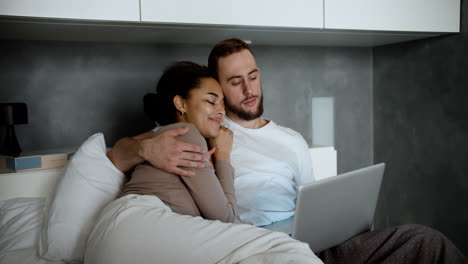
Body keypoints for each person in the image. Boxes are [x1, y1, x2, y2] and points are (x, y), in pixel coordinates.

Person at [106, 39, 468, 263]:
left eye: (253, 75)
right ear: (217, 87)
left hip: (313, 243)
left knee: (424, 241)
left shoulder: (292, 140)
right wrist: (142, 147)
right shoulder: (204, 130)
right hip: (257, 250)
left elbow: (316, 205)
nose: (249, 89)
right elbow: (124, 150)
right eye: (234, 82)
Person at [119, 61, 237, 222]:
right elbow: (227, 218)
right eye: (211, 101)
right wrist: (224, 155)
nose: (221, 111)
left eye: (223, 104)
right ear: (181, 104)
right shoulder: (186, 133)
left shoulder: (164, 136)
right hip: (139, 221)